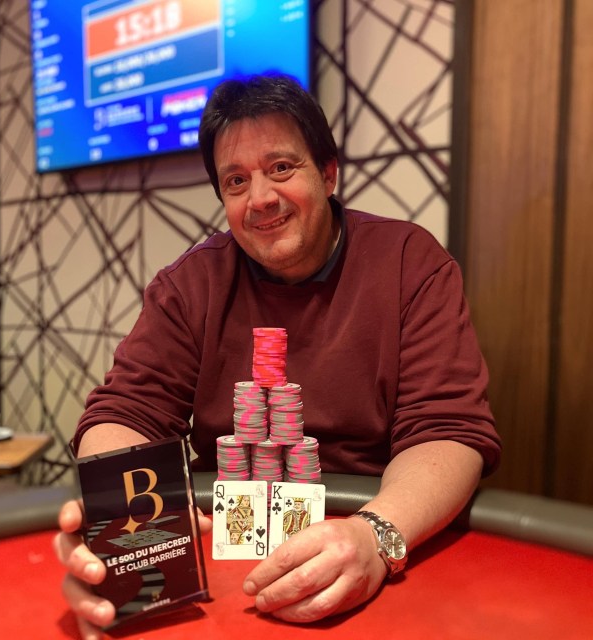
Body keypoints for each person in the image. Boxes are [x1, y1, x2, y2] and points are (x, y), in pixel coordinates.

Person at [55, 74, 501, 639]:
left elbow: (448, 430)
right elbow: (126, 412)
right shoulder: (190, 284)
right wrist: (124, 540)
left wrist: (376, 536)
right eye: (236, 181)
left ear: (329, 173)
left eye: (282, 168)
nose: (260, 198)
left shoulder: (411, 262)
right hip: (225, 556)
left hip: (374, 539)